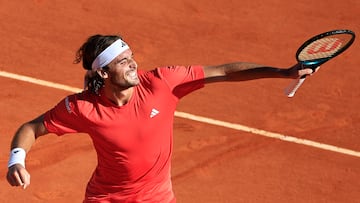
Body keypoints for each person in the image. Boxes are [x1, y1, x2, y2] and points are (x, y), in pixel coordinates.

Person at [6, 34, 315, 202]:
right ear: (103, 72)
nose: (133, 64)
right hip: (106, 198)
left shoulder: (161, 83)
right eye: (122, 62)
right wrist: (16, 160)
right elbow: (32, 128)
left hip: (157, 198)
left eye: (131, 57)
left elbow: (223, 71)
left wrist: (281, 72)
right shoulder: (82, 108)